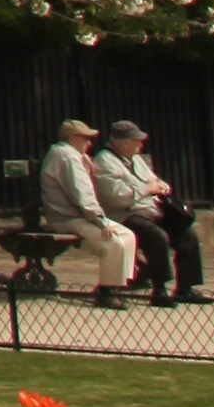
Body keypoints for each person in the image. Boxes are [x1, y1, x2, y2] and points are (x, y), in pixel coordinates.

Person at [99, 120, 204, 304]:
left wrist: (162, 186)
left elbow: (153, 180)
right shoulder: (104, 162)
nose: (141, 144)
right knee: (157, 236)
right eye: (137, 140)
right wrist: (147, 189)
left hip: (152, 212)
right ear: (124, 142)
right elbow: (116, 197)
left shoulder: (136, 159)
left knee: (188, 234)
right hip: (126, 216)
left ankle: (185, 288)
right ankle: (159, 289)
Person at [31, 119, 136, 289]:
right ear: (72, 138)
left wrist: (87, 169)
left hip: (77, 216)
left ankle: (121, 284)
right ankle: (107, 291)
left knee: (128, 236)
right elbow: (82, 194)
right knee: (113, 243)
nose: (90, 143)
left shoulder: (66, 154)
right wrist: (100, 220)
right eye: (86, 138)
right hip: (67, 219)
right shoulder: (68, 157)